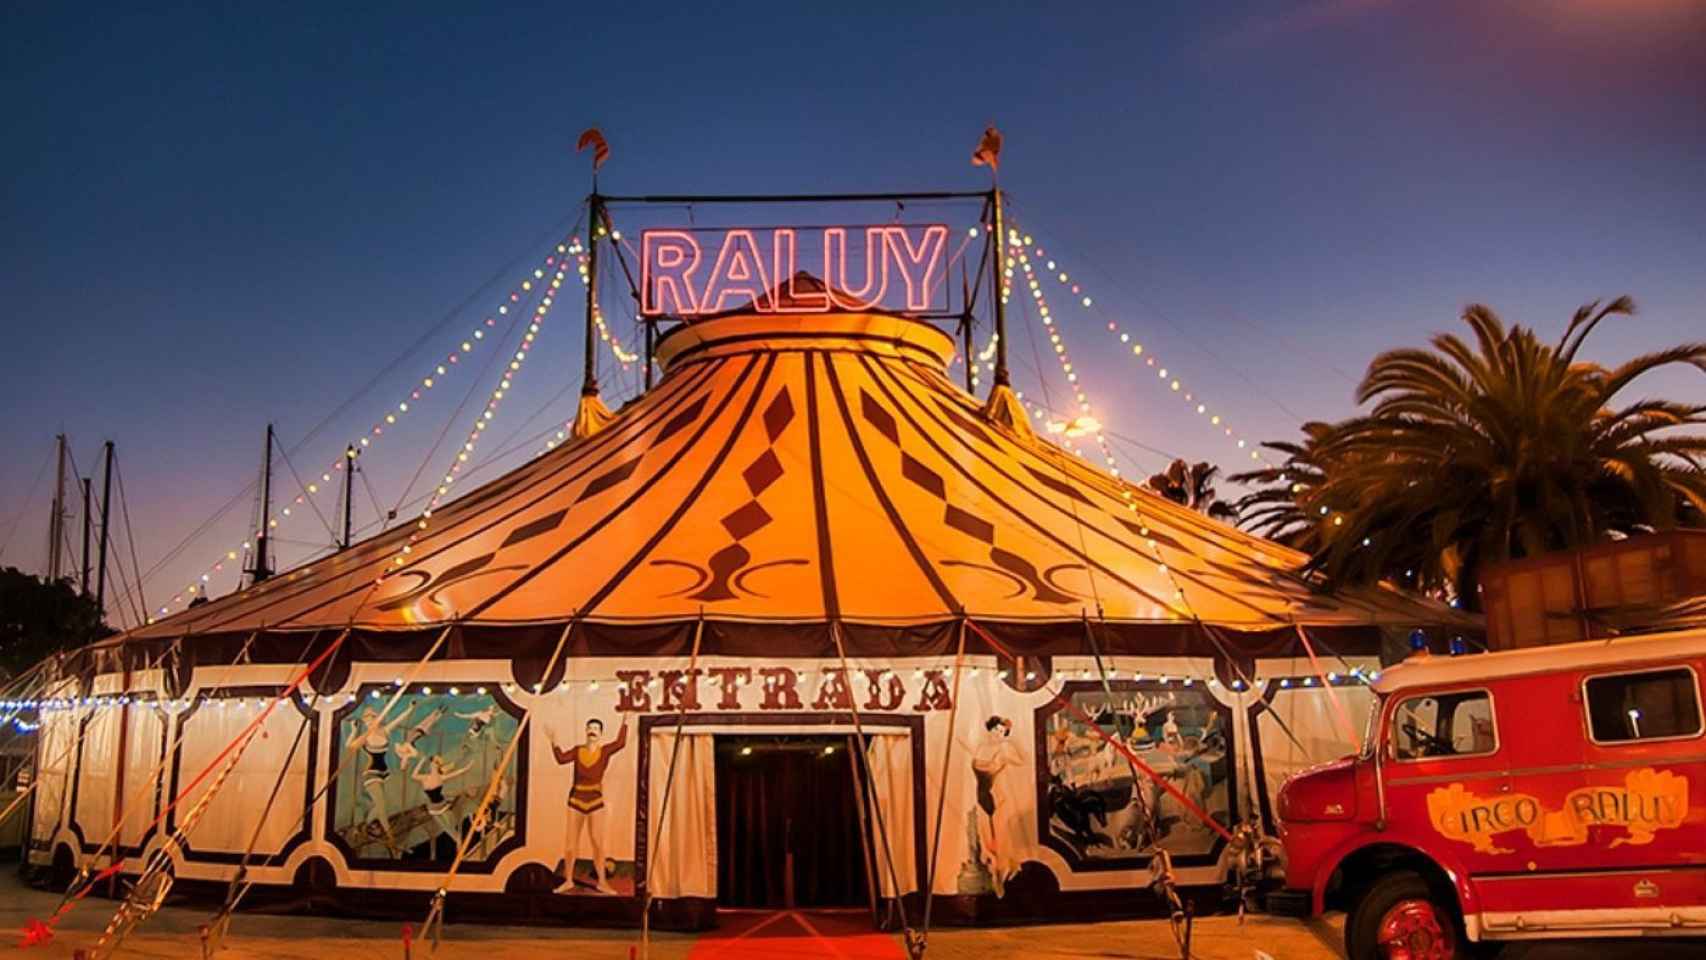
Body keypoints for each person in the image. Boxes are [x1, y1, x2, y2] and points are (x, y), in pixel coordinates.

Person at [550, 714, 628, 894]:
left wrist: (626, 721)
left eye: (596, 728)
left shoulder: (605, 751)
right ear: (586, 731)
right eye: (590, 728)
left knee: (598, 844)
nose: (592, 731)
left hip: (595, 800)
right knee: (570, 845)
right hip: (576, 800)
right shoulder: (578, 751)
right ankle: (568, 880)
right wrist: (553, 741)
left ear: (601, 733)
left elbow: (620, 743)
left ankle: (602, 882)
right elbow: (561, 759)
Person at [970, 715, 1025, 897]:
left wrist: (1005, 758)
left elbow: (1021, 761)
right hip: (980, 797)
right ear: (990, 729)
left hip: (996, 798)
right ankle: (995, 876)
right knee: (985, 841)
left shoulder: (1004, 749)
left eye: (1002, 732)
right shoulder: (980, 748)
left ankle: (1001, 878)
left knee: (1000, 840)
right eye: (996, 730)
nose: (999, 734)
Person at [346, 705, 414, 847]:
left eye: (372, 717)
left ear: (377, 718)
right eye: (367, 719)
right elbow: (350, 746)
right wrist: (353, 730)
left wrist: (409, 709)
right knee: (382, 806)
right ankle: (391, 838)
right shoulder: (365, 737)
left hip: (383, 773)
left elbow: (397, 720)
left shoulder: (384, 731)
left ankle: (365, 825)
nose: (369, 721)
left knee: (380, 804)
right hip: (371, 774)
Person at [411, 754, 474, 844]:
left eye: (436, 762)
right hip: (433, 809)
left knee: (451, 823)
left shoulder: (441, 777)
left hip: (443, 806)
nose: (433, 764)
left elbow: (458, 772)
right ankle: (458, 840)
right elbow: (413, 775)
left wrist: (467, 767)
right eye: (432, 762)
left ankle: (460, 838)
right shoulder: (425, 778)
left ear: (438, 766)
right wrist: (421, 761)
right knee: (446, 827)